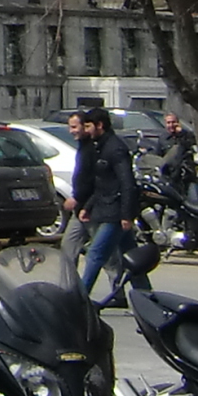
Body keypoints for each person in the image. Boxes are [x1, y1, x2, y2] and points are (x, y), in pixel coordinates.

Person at [69, 105, 135, 307]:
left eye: (89, 126)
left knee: (95, 254)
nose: (86, 130)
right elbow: (100, 184)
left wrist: (127, 214)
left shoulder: (115, 148)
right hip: (103, 207)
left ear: (100, 125)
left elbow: (127, 183)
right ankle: (148, 297)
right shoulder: (99, 146)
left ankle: (79, 302)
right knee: (131, 258)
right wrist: (87, 207)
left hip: (115, 212)